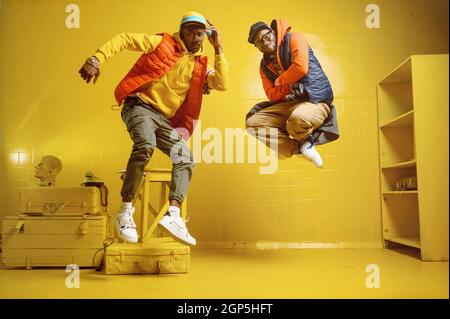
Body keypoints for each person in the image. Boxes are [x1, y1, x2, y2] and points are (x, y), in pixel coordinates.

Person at [78, 12, 228, 245]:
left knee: (185, 157)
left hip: (163, 120)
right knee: (145, 144)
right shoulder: (163, 43)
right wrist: (97, 59)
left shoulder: (200, 65)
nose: (196, 37)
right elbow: (125, 38)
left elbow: (222, 83)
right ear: (182, 31)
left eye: (200, 33)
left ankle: (174, 216)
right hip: (139, 106)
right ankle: (125, 212)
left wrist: (218, 48)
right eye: (190, 32)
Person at [246, 19, 339, 168]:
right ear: (257, 47)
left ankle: (307, 143)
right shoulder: (264, 66)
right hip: (290, 103)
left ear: (273, 32)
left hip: (315, 100)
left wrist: (279, 81)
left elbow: (301, 68)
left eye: (266, 36)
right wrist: (290, 83)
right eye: (259, 42)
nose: (264, 42)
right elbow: (272, 95)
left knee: (298, 118)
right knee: (252, 123)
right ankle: (298, 149)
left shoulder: (294, 38)